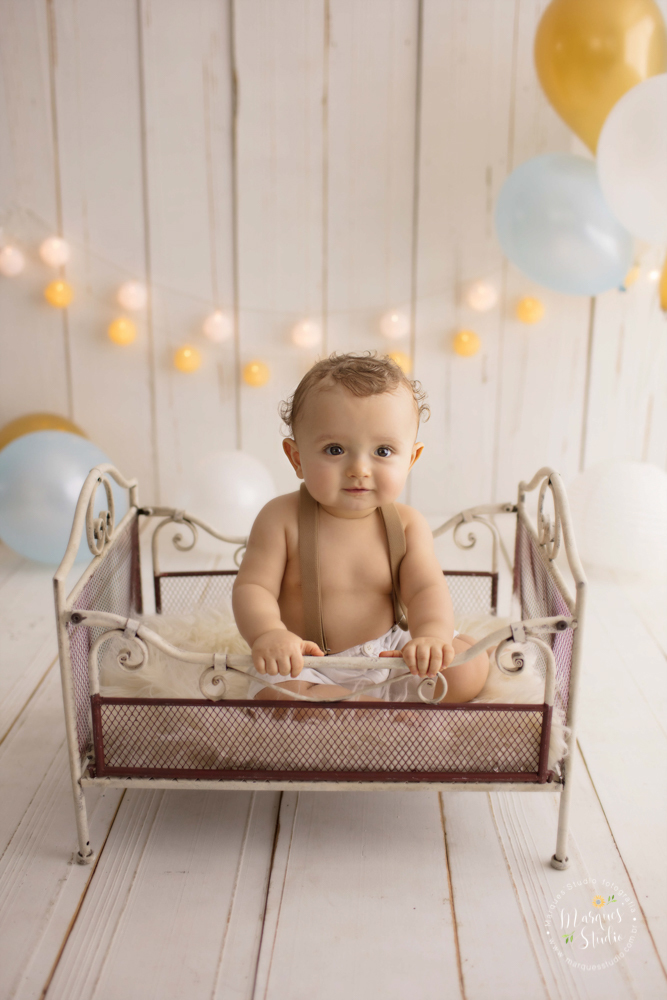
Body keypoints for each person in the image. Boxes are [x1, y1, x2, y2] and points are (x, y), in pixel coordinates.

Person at [232, 351, 489, 705]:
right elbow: (254, 587)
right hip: (307, 663)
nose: (359, 469)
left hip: (390, 654)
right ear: (297, 458)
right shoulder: (280, 519)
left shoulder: (407, 524)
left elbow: (425, 590)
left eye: (382, 451)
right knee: (281, 695)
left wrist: (430, 637)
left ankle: (373, 705)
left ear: (410, 459)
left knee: (465, 666)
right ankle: (367, 711)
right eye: (335, 449)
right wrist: (269, 633)